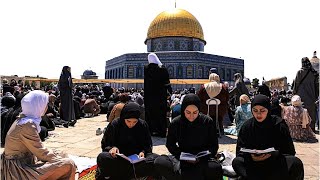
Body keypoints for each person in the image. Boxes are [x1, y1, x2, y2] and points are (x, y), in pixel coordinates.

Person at [1, 90, 76, 180]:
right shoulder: (27, 124)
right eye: (45, 104)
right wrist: (59, 159)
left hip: (22, 161)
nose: (46, 107)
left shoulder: (23, 118)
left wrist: (57, 156)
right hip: (18, 169)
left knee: (62, 155)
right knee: (68, 164)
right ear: (38, 105)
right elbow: (41, 152)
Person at [232, 94, 304, 180]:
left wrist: (272, 156)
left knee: (295, 163)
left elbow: (289, 151)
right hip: (254, 164)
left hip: (274, 164)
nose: (258, 114)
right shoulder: (247, 127)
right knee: (237, 162)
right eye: (255, 110)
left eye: (262, 110)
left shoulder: (279, 125)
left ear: (268, 110)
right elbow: (240, 151)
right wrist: (252, 157)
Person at [154, 94, 222, 180]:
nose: (191, 116)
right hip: (182, 157)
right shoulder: (176, 123)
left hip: (202, 159)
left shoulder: (207, 121)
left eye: (195, 112)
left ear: (199, 110)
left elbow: (214, 145)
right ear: (183, 110)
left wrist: (204, 157)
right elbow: (170, 144)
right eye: (188, 112)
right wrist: (180, 155)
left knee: (215, 168)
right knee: (160, 161)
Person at [96, 102, 159, 180]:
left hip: (137, 160)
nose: (131, 124)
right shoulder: (115, 124)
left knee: (157, 159)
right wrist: (112, 148)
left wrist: (143, 152)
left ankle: (121, 174)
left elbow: (147, 145)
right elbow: (106, 143)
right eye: (128, 121)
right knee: (102, 157)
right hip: (119, 159)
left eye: (135, 122)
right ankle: (132, 174)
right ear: (123, 117)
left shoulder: (142, 125)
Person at [144, 53, 172, 137]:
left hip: (149, 97)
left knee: (150, 113)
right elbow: (167, 83)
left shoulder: (146, 69)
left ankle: (151, 131)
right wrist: (170, 92)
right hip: (160, 97)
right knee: (160, 114)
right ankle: (161, 132)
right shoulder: (162, 69)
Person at [293, 57, 319, 132]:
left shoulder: (300, 72)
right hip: (311, 98)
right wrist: (316, 96)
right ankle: (312, 129)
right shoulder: (314, 73)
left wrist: (294, 94)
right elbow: (317, 86)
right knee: (311, 114)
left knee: (301, 114)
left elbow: (296, 84)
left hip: (301, 98)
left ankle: (302, 130)